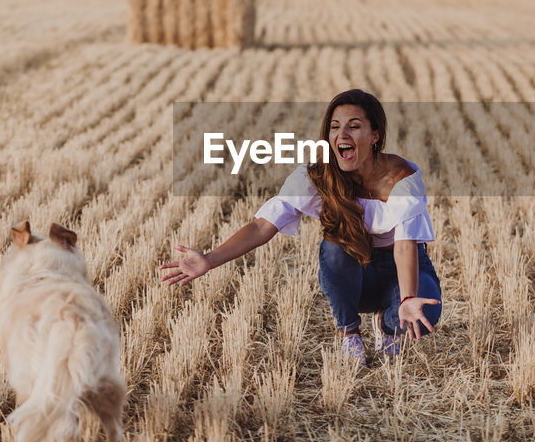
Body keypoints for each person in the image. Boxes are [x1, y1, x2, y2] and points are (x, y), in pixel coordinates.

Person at [160, 89, 442, 365]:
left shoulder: (402, 178)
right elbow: (262, 227)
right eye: (334, 127)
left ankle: (387, 323)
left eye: (354, 126)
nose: (342, 135)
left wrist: (407, 298)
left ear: (375, 135)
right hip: (354, 272)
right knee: (334, 246)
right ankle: (350, 333)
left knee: (424, 311)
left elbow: (405, 246)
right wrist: (209, 260)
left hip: (402, 266)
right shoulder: (315, 176)